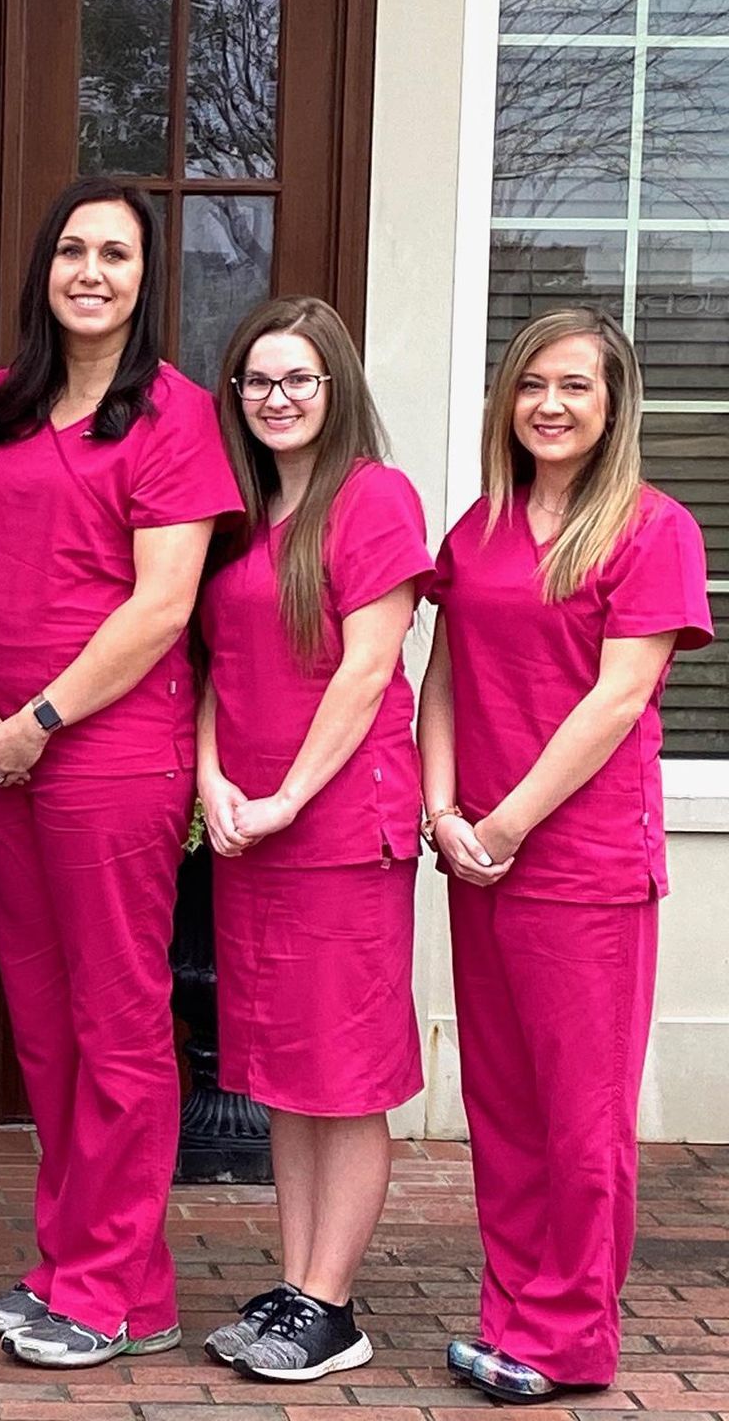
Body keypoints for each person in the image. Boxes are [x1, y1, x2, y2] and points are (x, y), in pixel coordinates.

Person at [0, 176, 242, 1369]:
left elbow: (164, 606)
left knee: (118, 1021)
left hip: (107, 753)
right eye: (72, 250)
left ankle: (114, 1286)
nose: (92, 273)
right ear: (44, 270)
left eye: (116, 254)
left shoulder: (175, 413)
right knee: (48, 1024)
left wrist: (41, 718)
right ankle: (81, 1265)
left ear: (145, 278)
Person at [421, 308, 711, 1405]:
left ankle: (570, 1340)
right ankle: (513, 1318)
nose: (550, 403)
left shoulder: (652, 529)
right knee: (501, 1106)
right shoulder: (482, 527)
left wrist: (503, 825)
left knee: (580, 1120)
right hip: (476, 857)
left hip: (581, 862)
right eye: (533, 382)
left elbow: (618, 696)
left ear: (612, 403)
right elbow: (444, 676)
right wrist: (443, 808)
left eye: (575, 386)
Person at [194, 296, 429, 1382]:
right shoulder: (242, 517)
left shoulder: (373, 501)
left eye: (297, 380)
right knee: (284, 1076)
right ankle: (298, 1287)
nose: (275, 399)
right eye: (256, 381)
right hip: (253, 830)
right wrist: (213, 787)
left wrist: (286, 796)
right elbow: (212, 674)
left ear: (335, 389)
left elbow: (368, 666)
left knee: (345, 1074)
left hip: (340, 828)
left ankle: (333, 1302)